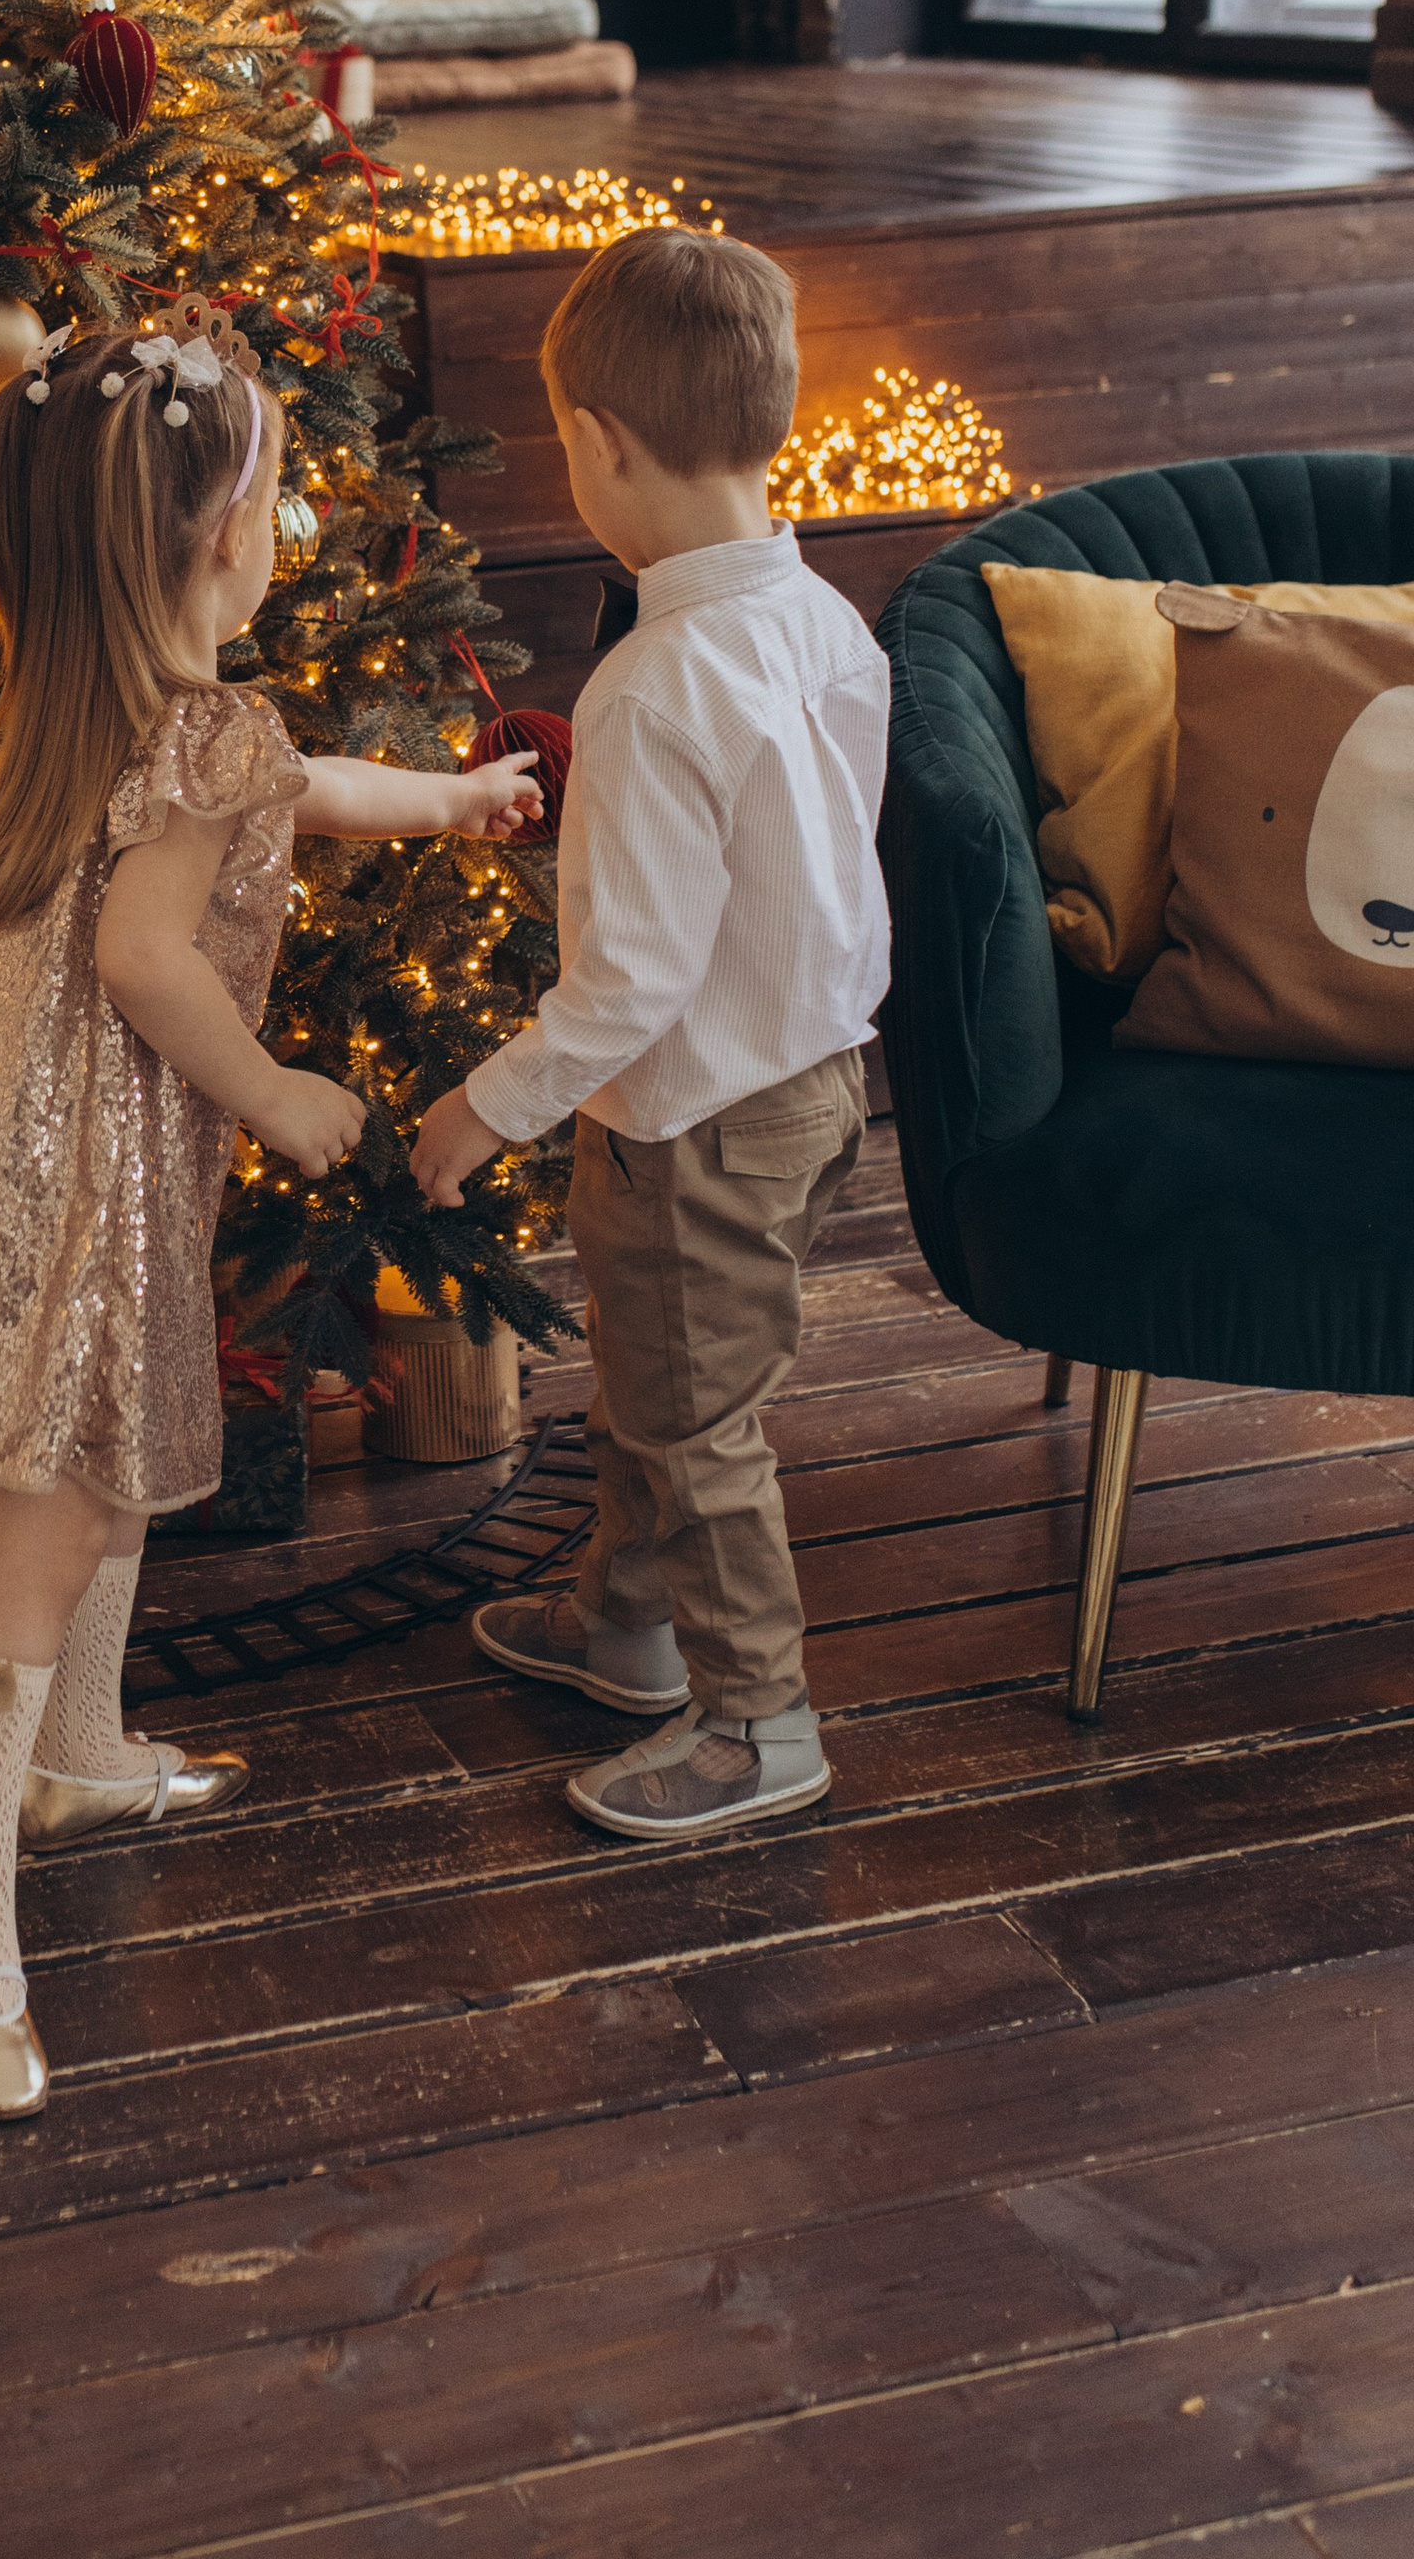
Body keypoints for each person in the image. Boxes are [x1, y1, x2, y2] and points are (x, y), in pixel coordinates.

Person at [0, 297, 543, 2121]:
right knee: (48, 1529)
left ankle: (80, 1755)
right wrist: (282, 1091)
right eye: (276, 499)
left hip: (45, 1150)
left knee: (104, 1456)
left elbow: (299, 789)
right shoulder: (198, 722)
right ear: (218, 537)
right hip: (93, 1167)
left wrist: (451, 800)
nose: (281, 533)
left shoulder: (108, 697)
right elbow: (148, 952)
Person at [410, 229, 887, 1846]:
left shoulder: (648, 685)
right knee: (657, 1381)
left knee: (693, 1421)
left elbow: (626, 984)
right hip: (820, 1082)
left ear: (601, 446)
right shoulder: (825, 619)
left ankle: (759, 1725)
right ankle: (625, 1626)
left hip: (695, 1123)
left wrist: (484, 1107)